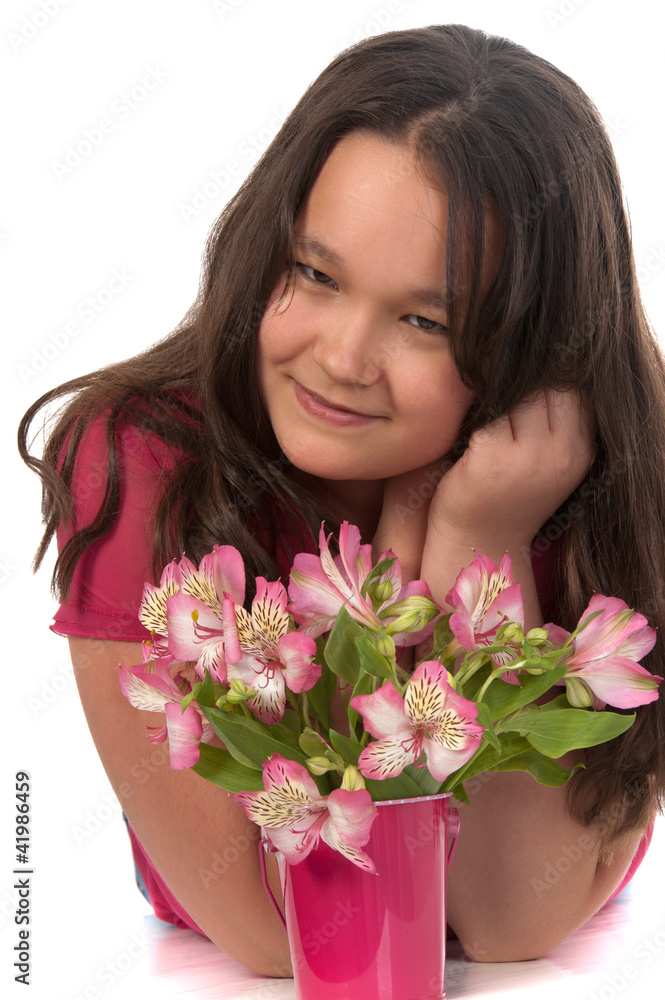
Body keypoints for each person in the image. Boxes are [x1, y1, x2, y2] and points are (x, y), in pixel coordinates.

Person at [19, 23, 665, 975]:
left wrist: (479, 537)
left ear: (535, 349)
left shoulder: (594, 465)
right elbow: (278, 941)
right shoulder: (140, 463)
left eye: (424, 319)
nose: (340, 359)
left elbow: (505, 925)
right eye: (314, 274)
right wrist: (401, 548)